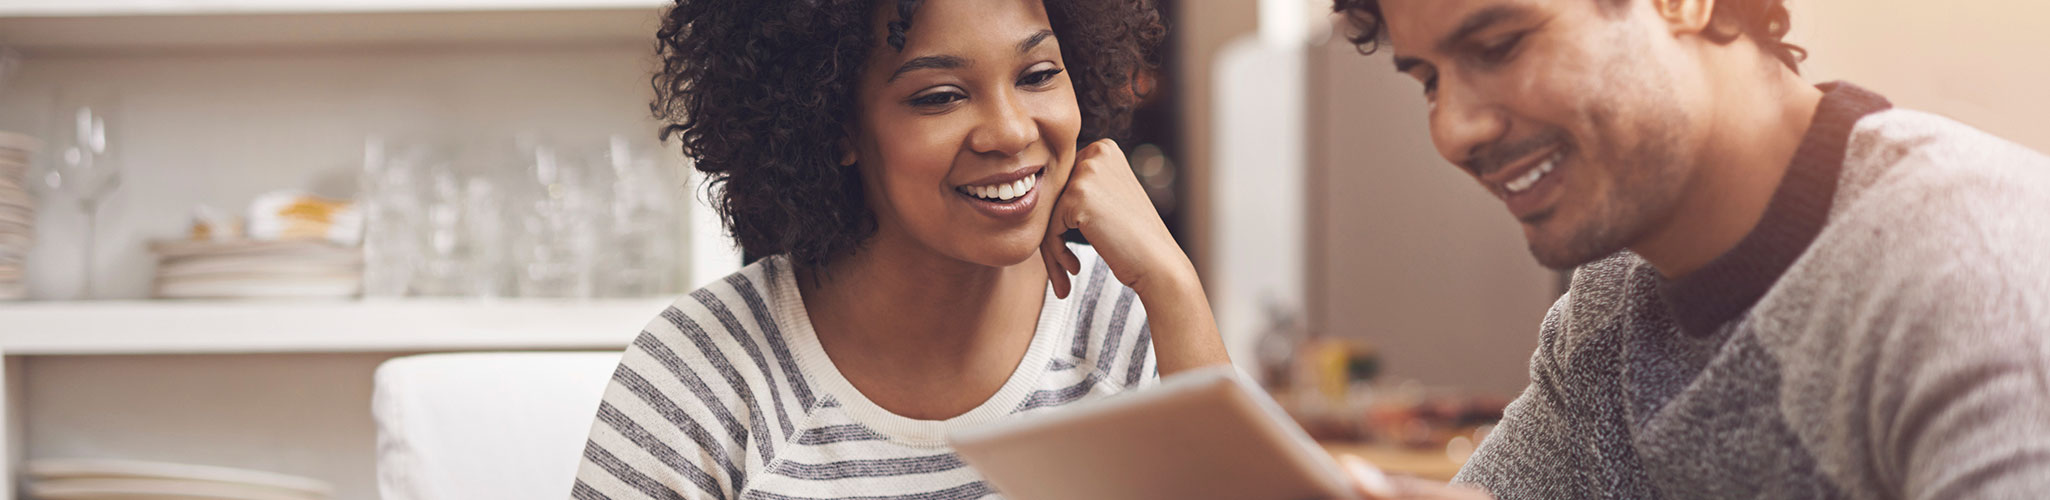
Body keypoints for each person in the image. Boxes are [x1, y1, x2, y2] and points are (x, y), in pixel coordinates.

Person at [1326, 0, 2050, 499]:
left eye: (1498, 46)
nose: (1453, 131)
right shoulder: (1610, 303)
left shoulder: (1973, 269)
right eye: (1427, 78)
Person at [570, 0, 1229, 498]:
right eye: (939, 96)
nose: (1009, 130)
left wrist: (1175, 284)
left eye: (1036, 74)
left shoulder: (1125, 331)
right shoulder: (700, 374)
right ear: (836, 125)